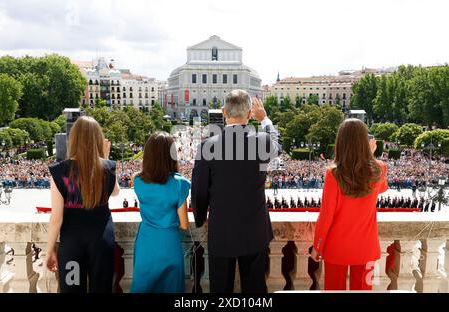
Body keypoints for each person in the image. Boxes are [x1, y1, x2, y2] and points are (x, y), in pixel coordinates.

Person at [191, 90, 281, 293]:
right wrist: (265, 119)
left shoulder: (207, 146)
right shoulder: (262, 141)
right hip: (255, 231)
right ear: (250, 114)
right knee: (255, 289)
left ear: (223, 112)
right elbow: (277, 144)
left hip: (222, 231)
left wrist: (200, 218)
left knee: (220, 289)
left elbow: (198, 191)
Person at [311, 118, 388, 290]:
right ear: (365, 142)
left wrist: (317, 246)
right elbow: (382, 188)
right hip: (367, 249)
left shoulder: (333, 174)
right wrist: (371, 156)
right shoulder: (380, 168)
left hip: (336, 248)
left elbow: (326, 215)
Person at [45, 116, 120, 293]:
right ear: (98, 139)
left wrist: (49, 251)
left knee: (72, 290)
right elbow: (115, 192)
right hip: (101, 240)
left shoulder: (58, 170)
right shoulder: (108, 167)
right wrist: (105, 158)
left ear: (74, 138)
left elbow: (56, 219)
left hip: (72, 243)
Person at [131, 132, 190, 293]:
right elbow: (184, 224)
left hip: (146, 242)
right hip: (168, 243)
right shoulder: (181, 184)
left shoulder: (137, 181)